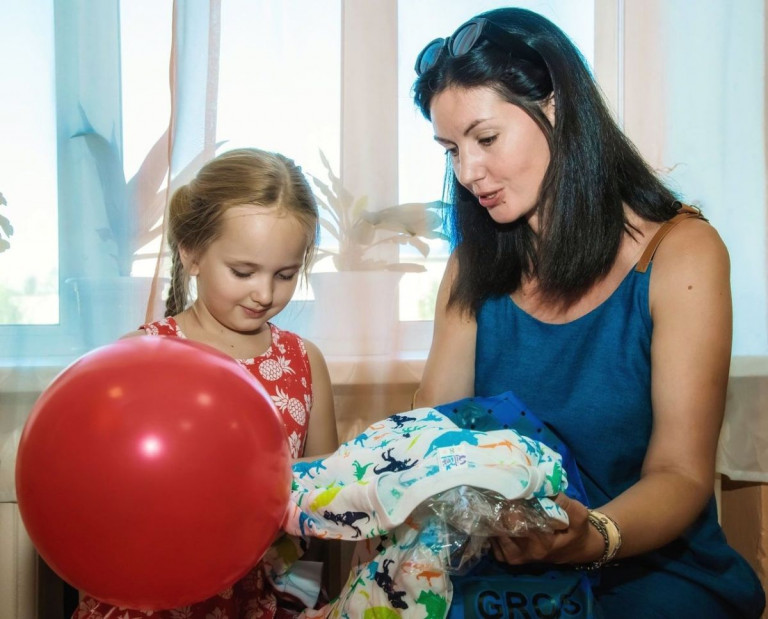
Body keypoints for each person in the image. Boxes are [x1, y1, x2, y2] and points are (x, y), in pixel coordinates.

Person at [411, 8, 765, 618]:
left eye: (485, 139)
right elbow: (432, 440)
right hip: (505, 574)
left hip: (651, 571)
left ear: (556, 107)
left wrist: (588, 537)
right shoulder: (472, 266)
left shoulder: (681, 254)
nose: (467, 173)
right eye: (451, 151)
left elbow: (680, 474)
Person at [73, 147, 338, 618]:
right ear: (191, 254)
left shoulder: (304, 362)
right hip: (150, 599)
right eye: (243, 272)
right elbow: (94, 501)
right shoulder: (139, 359)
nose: (264, 293)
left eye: (285, 275)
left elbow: (328, 494)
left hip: (255, 600)